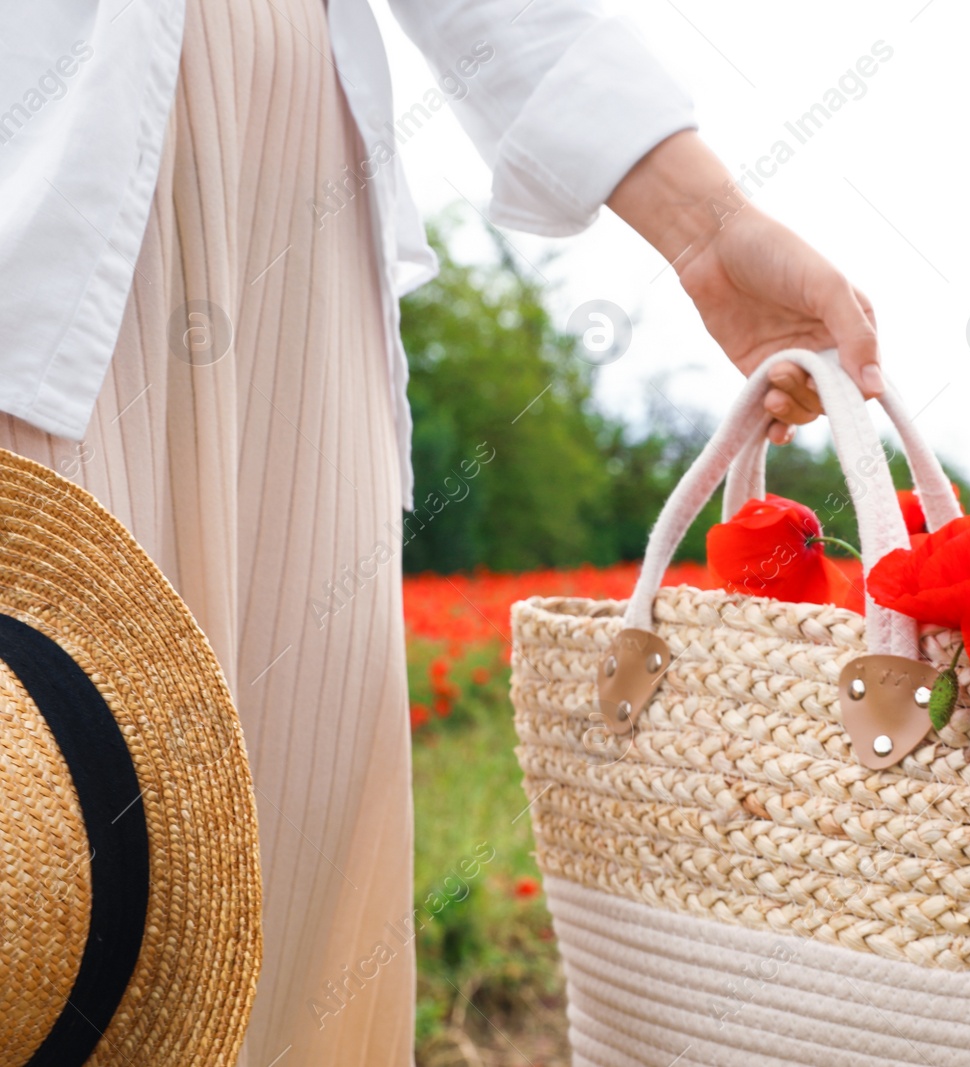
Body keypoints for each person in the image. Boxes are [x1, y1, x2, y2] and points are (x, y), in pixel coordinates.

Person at [0, 1, 877, 1063]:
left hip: (295, 196)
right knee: (47, 850)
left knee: (289, 889)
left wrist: (700, 224)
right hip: (43, 192)